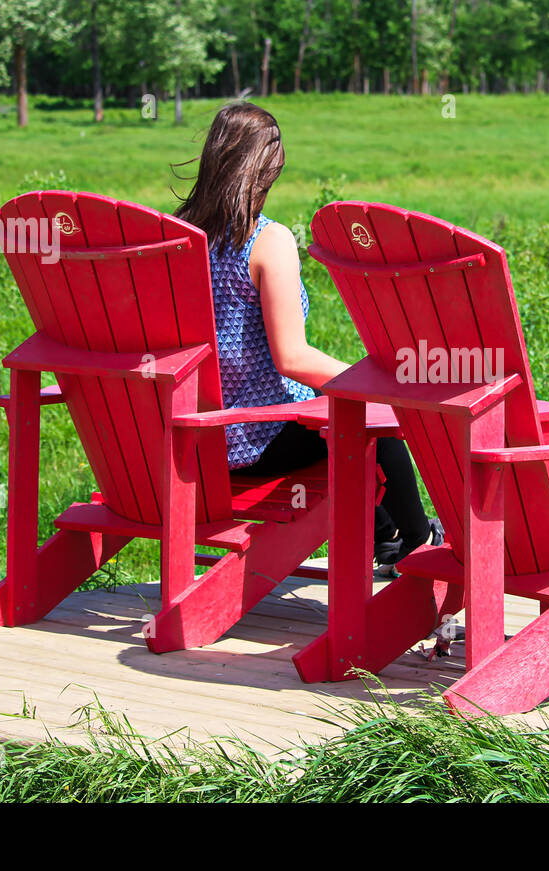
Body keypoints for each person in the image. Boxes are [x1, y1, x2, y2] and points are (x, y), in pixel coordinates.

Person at [174, 100, 441, 571]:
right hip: (260, 440)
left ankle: (385, 537)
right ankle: (421, 542)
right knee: (376, 422)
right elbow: (292, 359)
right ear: (272, 165)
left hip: (197, 441)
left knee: (337, 414)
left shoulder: (180, 236)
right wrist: (379, 384)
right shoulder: (265, 240)